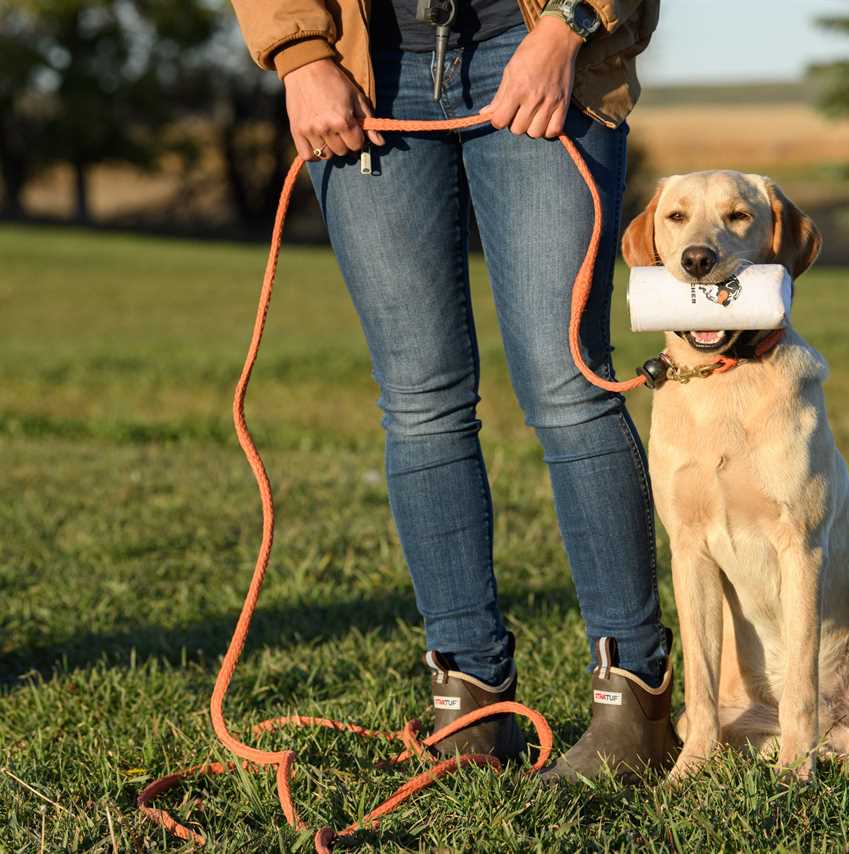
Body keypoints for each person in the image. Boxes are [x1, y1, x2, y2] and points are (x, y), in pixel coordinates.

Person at [229, 0, 677, 781]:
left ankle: (634, 703)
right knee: (419, 405)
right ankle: (470, 700)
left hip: (538, 45)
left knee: (571, 387)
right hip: (370, 68)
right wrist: (300, 53)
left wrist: (567, 27)